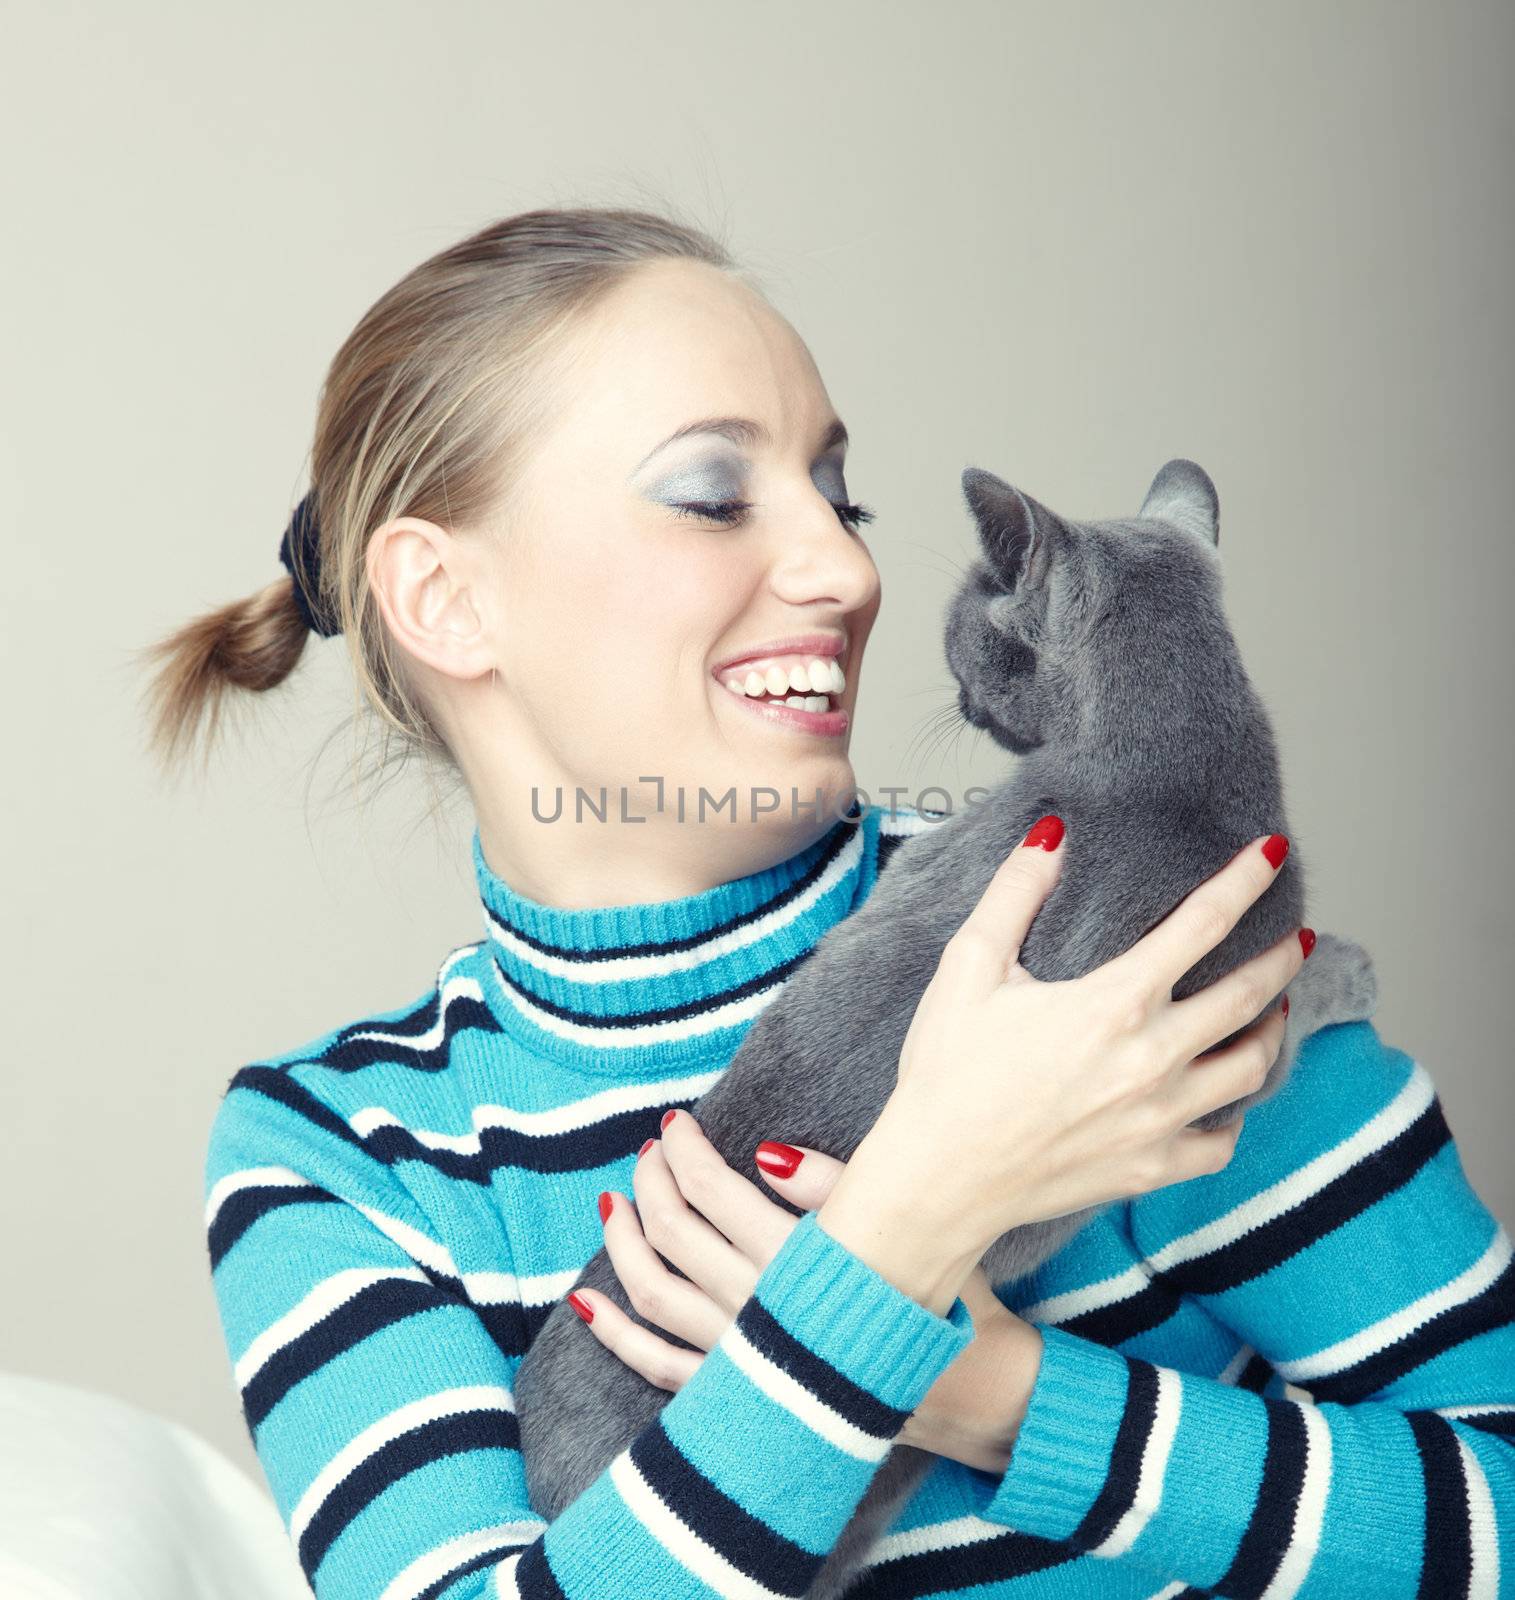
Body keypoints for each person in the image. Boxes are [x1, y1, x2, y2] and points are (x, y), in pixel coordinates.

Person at [145, 207, 1513, 1600]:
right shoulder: (347, 1158)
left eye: (838, 496)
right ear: (445, 598)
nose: (850, 572)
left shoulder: (1128, 950)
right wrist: (905, 1229)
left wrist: (1004, 1398)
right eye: (712, 496)